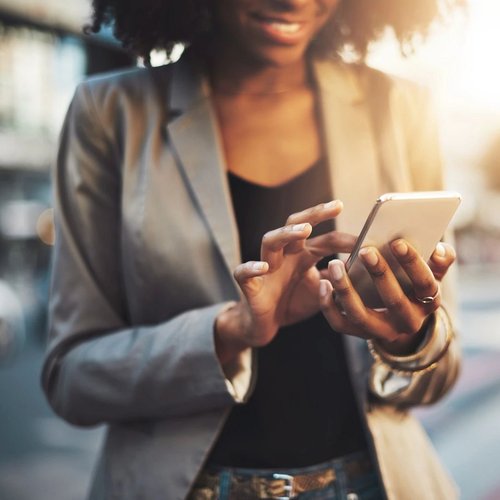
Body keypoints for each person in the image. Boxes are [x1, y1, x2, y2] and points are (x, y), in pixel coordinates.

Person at [41, 0, 464, 498]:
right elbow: (71, 379)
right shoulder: (110, 112)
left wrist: (405, 342)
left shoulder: (398, 107)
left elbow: (443, 369)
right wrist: (229, 331)